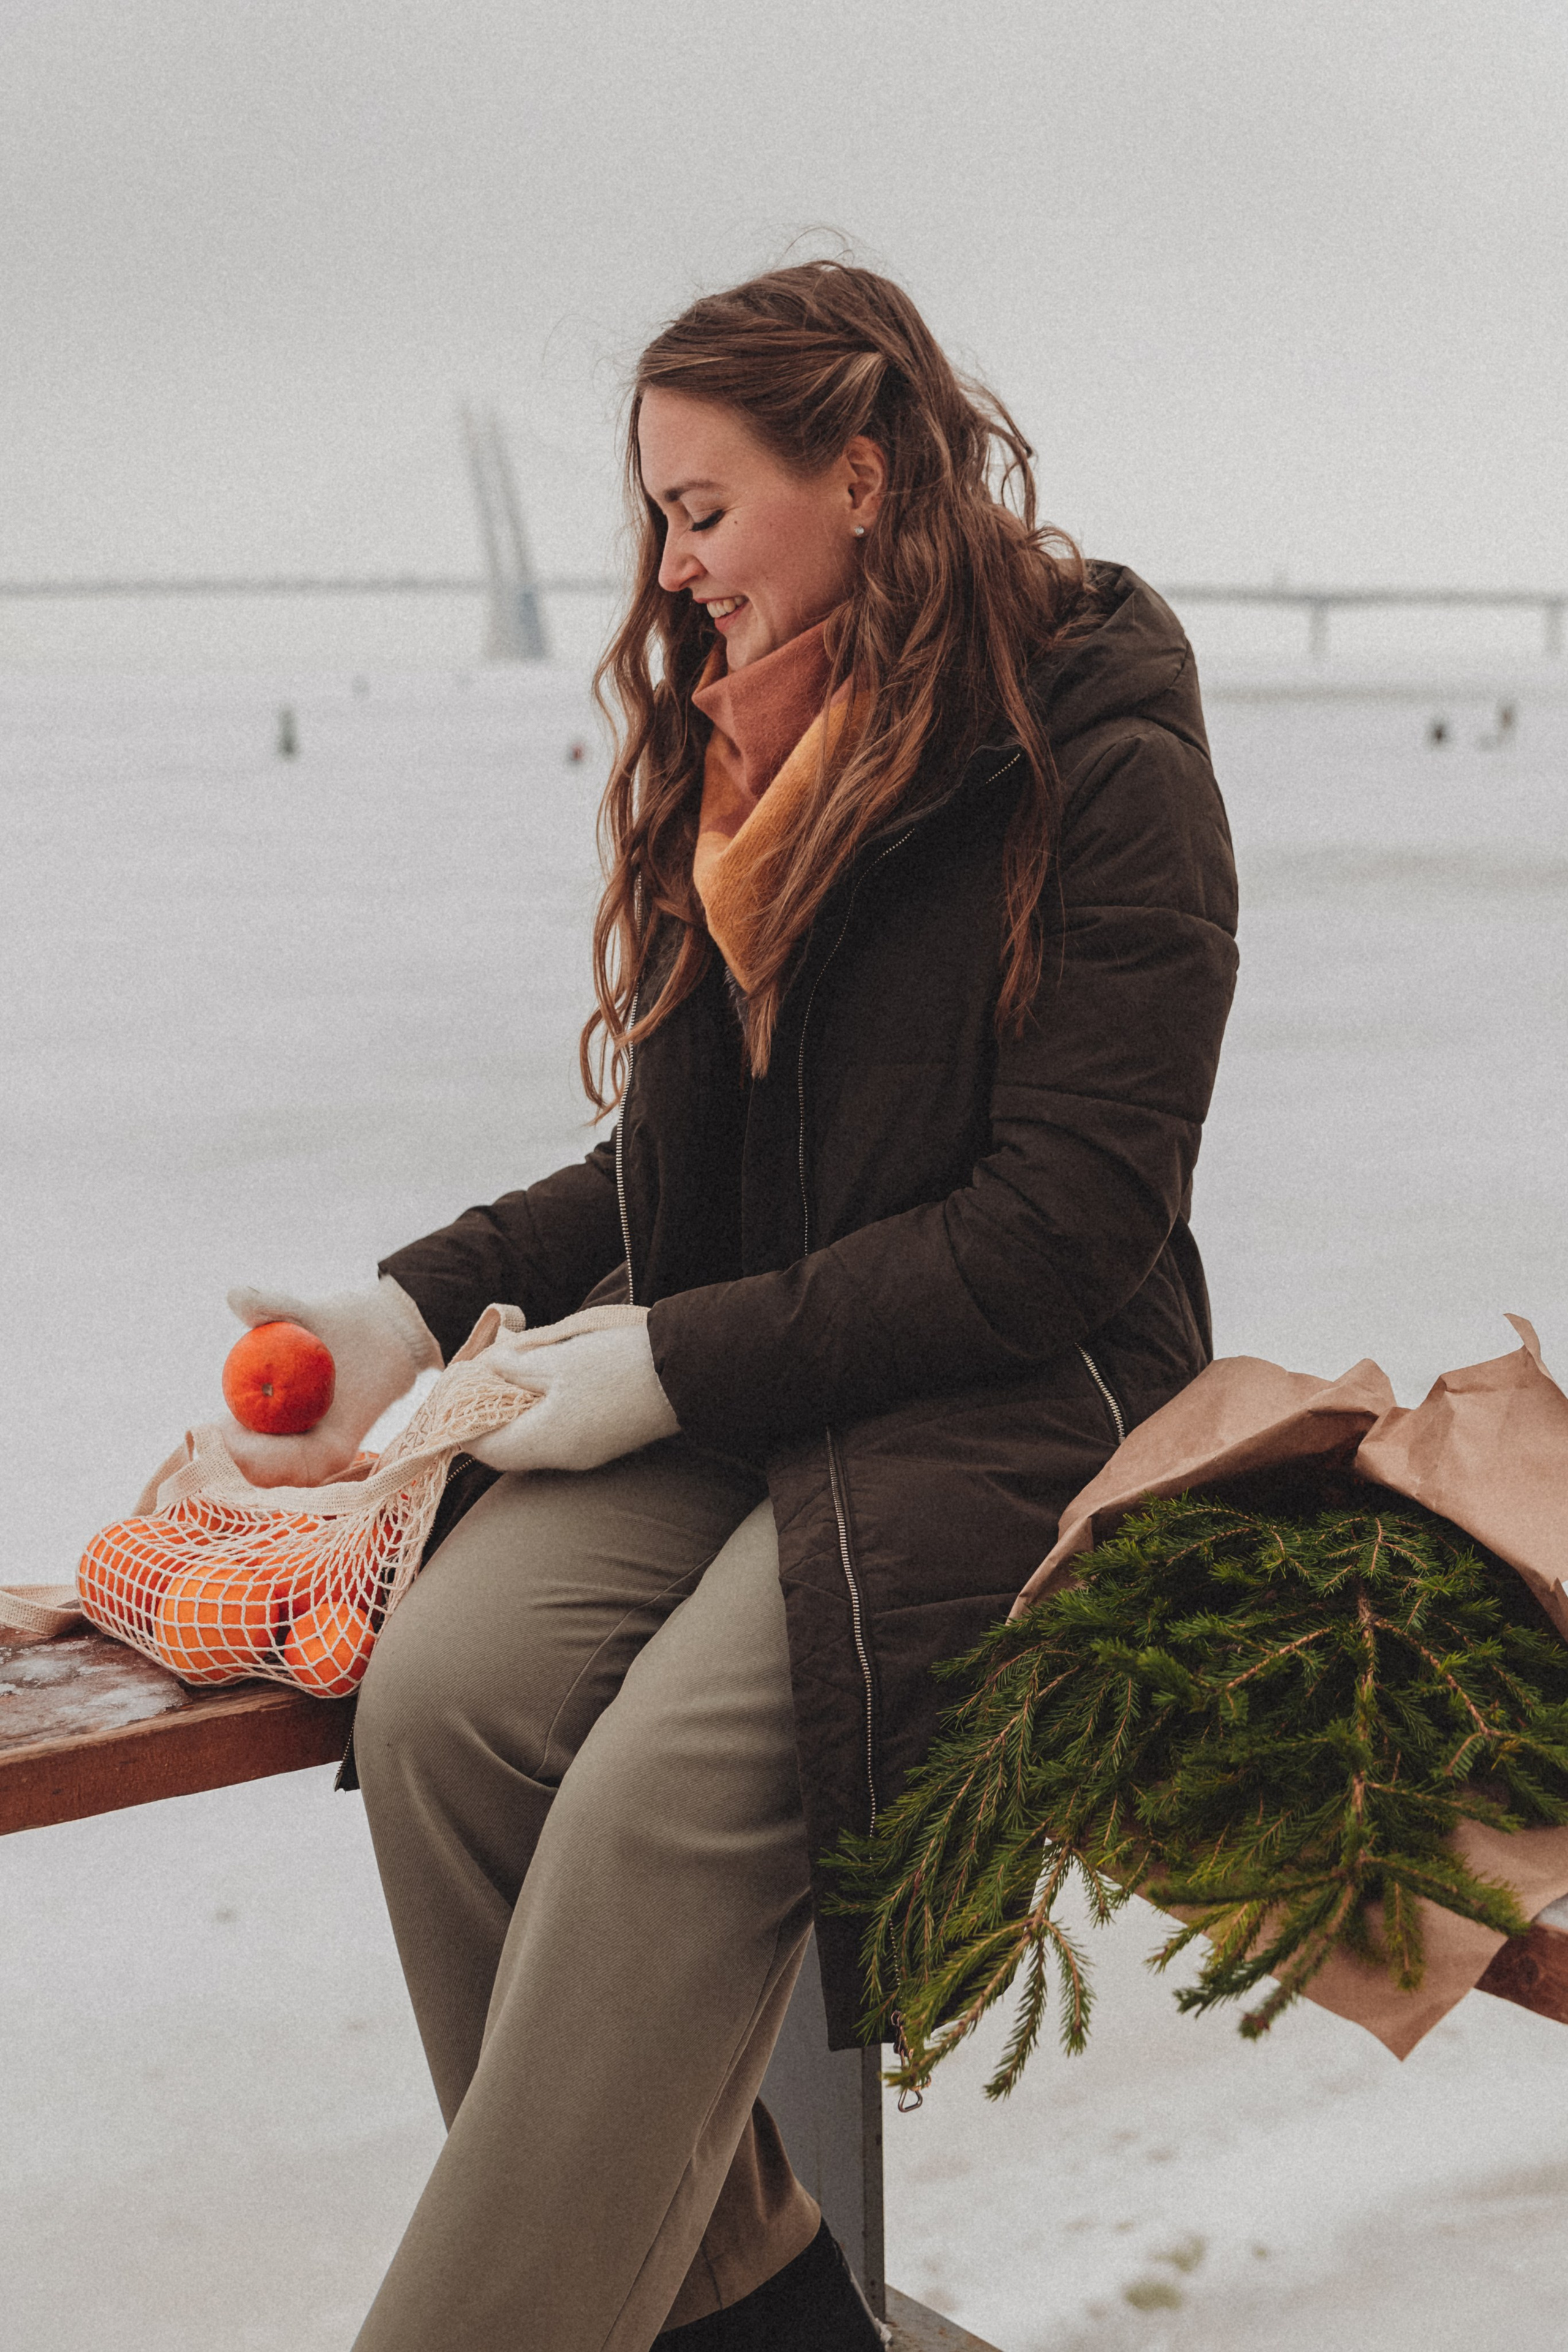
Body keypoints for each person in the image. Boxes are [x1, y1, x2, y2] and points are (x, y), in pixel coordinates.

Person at [224, 260, 1238, 2351]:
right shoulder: (747, 771)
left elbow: (1066, 1226)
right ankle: (768, 2319)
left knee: (648, 1819)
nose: (672, 569)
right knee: (445, 1705)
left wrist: (667, 1362)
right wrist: (411, 1306)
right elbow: (664, 1182)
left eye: (705, 510)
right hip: (770, 1375)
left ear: (860, 480)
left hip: (1016, 1406)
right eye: (656, 518)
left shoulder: (1103, 765)